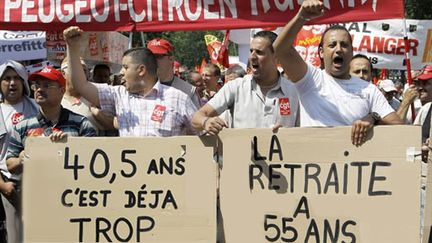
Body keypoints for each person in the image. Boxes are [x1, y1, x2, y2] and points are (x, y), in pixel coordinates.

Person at [273, 0, 403, 146]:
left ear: (352, 52)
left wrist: (373, 118)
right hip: (315, 164)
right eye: (332, 45)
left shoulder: (368, 89)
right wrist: (301, 16)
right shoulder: (310, 79)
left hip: (351, 166)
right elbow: (280, 50)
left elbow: (398, 126)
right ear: (321, 52)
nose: (339, 49)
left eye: (344, 45)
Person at [64, 26, 197, 137]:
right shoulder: (118, 95)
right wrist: (72, 48)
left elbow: (201, 136)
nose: (121, 72)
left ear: (141, 70)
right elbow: (81, 85)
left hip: (167, 168)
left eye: (126, 67)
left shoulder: (178, 98)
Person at [192, 30, 299, 135]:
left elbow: (305, 133)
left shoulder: (294, 92)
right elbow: (196, 118)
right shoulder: (235, 87)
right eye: (251, 51)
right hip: (242, 153)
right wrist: (206, 122)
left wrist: (288, 135)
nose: (252, 57)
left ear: (276, 57)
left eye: (259, 52)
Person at [0, 60, 39, 243]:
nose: (12, 83)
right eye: (7, 78)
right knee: (16, 236)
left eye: (16, 78)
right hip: (9, 183)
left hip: (40, 181)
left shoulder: (38, 106)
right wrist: (3, 186)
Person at [60, 57, 119, 136]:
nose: (80, 74)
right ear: (63, 73)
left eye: (84, 71)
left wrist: (99, 115)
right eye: (75, 70)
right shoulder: (56, 99)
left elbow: (114, 125)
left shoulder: (97, 96)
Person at [147, 38, 201, 108]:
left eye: (157, 56)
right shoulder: (138, 89)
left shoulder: (188, 90)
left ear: (171, 58)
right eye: (150, 57)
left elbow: (197, 118)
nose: (153, 60)